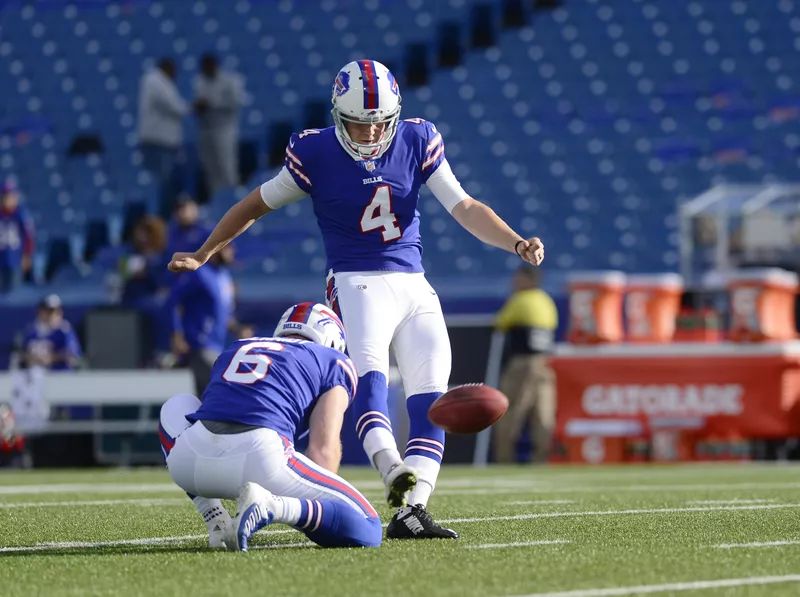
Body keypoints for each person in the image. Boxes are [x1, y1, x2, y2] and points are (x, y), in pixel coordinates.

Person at [167, 59, 545, 540]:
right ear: (336, 115)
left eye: (378, 125)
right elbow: (254, 204)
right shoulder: (315, 151)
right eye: (357, 125)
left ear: (396, 115)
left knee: (432, 393)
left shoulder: (416, 137)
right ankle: (392, 474)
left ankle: (414, 508)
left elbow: (465, 205)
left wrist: (515, 241)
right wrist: (205, 252)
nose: (369, 136)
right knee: (368, 381)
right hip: (355, 281)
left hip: (413, 281)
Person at [158, 302, 382, 552]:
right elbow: (322, 450)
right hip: (260, 457)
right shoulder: (333, 360)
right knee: (370, 526)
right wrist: (311, 512)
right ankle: (271, 506)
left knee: (176, 405)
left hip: (189, 464)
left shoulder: (238, 347)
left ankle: (214, 517)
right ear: (332, 340)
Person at [491, 265, 558, 464]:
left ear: (527, 280)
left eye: (517, 278)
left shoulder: (520, 300)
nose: (513, 282)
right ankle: (542, 460)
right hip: (545, 364)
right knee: (543, 414)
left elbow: (501, 323)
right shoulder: (547, 301)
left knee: (510, 412)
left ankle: (504, 459)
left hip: (522, 363)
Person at [167, 244, 236, 395]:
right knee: (216, 391)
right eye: (228, 247)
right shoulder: (199, 273)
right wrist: (177, 335)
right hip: (200, 343)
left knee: (207, 394)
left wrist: (238, 329)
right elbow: (174, 302)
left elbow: (224, 313)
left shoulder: (224, 277)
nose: (232, 252)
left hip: (218, 345)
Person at [138, 58, 189, 218]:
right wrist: (192, 107)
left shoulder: (156, 81)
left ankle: (162, 218)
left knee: (164, 183)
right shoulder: (155, 80)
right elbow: (175, 107)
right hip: (158, 143)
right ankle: (160, 219)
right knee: (162, 184)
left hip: (161, 143)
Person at [193, 53, 245, 196]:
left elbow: (238, 102)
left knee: (227, 166)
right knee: (210, 169)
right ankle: (216, 200)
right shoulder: (200, 81)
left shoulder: (230, 81)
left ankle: (233, 200)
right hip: (206, 129)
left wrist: (213, 104)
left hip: (225, 129)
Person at [0, 177, 35, 294]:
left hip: (15, 259)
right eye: (5, 196)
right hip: (1, 258)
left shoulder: (20, 215)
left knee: (14, 291)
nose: (8, 199)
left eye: (10, 196)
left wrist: (27, 255)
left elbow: (29, 237)